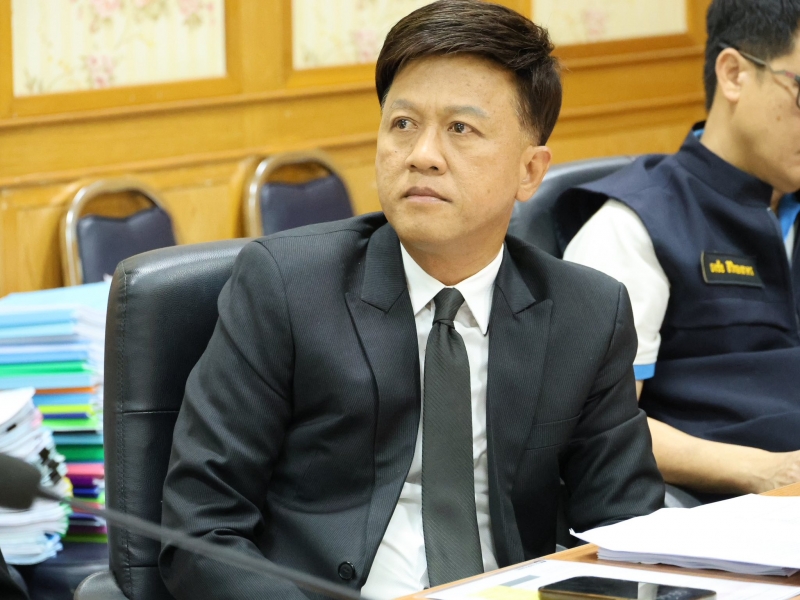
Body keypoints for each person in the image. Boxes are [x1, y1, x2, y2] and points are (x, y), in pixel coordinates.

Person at [159, 1, 663, 598]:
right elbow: (201, 529)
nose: (422, 154)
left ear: (530, 171)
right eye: (402, 123)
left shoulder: (587, 314)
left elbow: (624, 529)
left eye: (460, 129)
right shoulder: (287, 287)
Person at [560, 0, 800, 502]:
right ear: (733, 74)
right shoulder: (636, 223)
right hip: (722, 509)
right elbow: (591, 422)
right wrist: (765, 471)